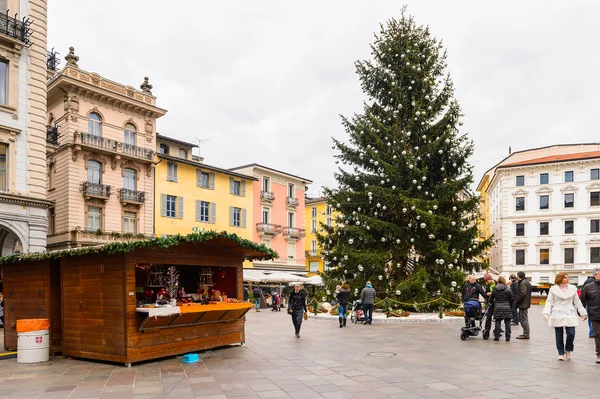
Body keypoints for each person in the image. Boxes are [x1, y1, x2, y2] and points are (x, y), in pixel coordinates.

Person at [542, 272, 587, 361]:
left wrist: (582, 312)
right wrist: (546, 312)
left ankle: (568, 349)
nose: (567, 279)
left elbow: (577, 301)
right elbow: (549, 301)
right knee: (559, 334)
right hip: (557, 313)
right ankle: (560, 353)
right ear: (560, 278)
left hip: (569, 312)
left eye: (567, 277)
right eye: (565, 277)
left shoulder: (572, 288)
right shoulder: (553, 289)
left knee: (571, 333)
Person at [580, 267, 600, 363]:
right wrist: (581, 312)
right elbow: (582, 301)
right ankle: (599, 354)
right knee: (598, 335)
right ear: (595, 275)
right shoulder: (588, 287)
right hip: (595, 314)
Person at [489, 276, 514, 341]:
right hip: (507, 307)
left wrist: (491, 302)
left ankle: (497, 337)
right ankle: (508, 337)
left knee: (497, 322)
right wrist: (510, 305)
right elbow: (512, 299)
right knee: (508, 323)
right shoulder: (508, 289)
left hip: (497, 307)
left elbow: (491, 299)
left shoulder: (495, 288)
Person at [515, 271, 532, 339]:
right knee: (523, 318)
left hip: (523, 303)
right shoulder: (527, 282)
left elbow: (523, 293)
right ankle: (525, 333)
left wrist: (517, 301)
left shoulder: (523, 283)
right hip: (525, 303)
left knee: (523, 319)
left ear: (519, 276)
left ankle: (526, 334)